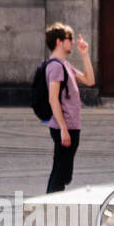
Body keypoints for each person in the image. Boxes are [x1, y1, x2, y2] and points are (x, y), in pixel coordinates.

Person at [41, 23, 95, 193]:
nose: (72, 42)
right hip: (64, 127)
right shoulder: (56, 66)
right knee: (60, 173)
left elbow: (89, 80)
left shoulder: (65, 65)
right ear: (59, 42)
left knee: (63, 173)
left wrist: (85, 54)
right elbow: (53, 99)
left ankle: (51, 207)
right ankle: (50, 209)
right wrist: (63, 129)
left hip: (71, 126)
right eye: (69, 39)